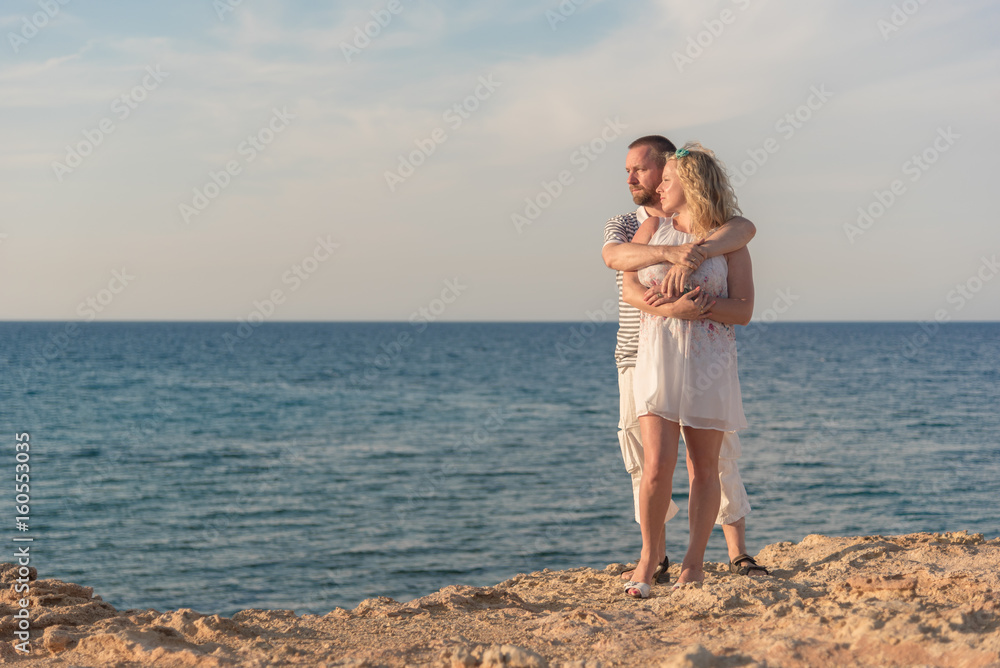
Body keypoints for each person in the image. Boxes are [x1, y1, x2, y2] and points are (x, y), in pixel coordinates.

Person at [602, 136, 767, 590]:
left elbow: (745, 310)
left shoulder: (729, 239)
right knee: (655, 465)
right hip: (655, 356)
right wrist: (672, 304)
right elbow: (626, 278)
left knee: (704, 467)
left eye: (667, 180)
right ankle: (648, 560)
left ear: (688, 184)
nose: (658, 189)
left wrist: (703, 305)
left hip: (709, 363)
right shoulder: (649, 229)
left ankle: (694, 563)